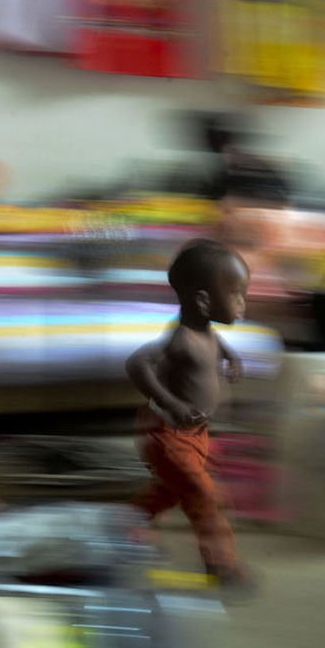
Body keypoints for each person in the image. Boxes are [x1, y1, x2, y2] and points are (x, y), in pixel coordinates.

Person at [124, 238, 256, 595]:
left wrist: (230, 355)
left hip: (195, 432)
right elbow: (137, 363)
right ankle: (222, 566)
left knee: (171, 490)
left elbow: (214, 342)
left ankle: (125, 527)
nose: (243, 303)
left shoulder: (205, 329)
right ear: (202, 301)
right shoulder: (180, 340)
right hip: (168, 432)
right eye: (237, 294)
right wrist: (173, 404)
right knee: (203, 496)